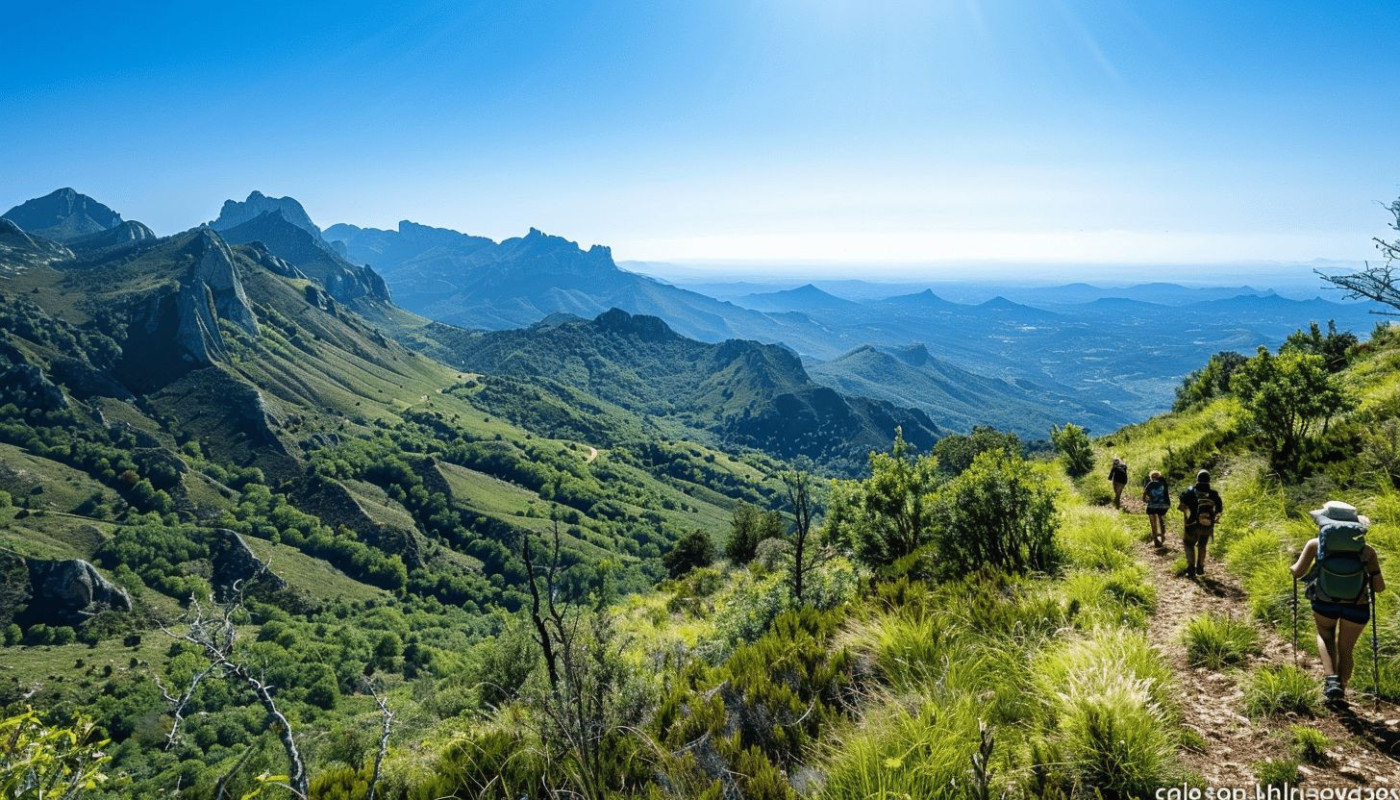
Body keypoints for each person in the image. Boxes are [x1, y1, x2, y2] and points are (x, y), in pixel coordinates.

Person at [1290, 500, 1385, 703]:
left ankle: (1331, 681)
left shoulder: (1315, 544)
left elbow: (1297, 573)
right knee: (1346, 649)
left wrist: (1294, 565)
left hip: (1325, 602)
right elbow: (1379, 587)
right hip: (1358, 606)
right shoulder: (1367, 551)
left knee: (1325, 635)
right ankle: (1341, 689)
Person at [1177, 469, 1222, 579]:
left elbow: (1181, 507)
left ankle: (1191, 568)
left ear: (1197, 479)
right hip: (1207, 525)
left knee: (1189, 544)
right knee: (1202, 545)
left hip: (1191, 524)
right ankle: (1200, 567)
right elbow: (1219, 510)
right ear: (1209, 480)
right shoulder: (1214, 494)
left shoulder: (1189, 492)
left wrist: (1187, 515)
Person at [1142, 470, 1171, 548]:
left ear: (1151, 478)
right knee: (1161, 520)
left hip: (1152, 507)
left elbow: (1144, 495)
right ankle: (1162, 534)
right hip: (1164, 506)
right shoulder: (1164, 483)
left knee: (1153, 524)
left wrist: (1145, 500)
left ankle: (1156, 543)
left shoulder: (1150, 484)